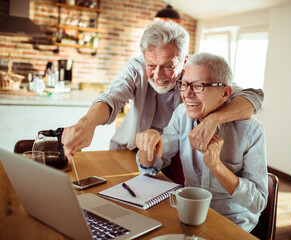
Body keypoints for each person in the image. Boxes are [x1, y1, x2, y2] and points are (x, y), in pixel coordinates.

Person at [61, 21, 264, 184]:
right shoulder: (136, 68)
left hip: (181, 156)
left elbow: (252, 97)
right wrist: (88, 122)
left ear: (184, 61)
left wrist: (214, 119)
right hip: (138, 151)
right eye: (151, 65)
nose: (158, 75)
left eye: (168, 66)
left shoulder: (196, 71)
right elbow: (112, 97)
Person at [136, 52, 268, 232]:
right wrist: (147, 146)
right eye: (184, 85)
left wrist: (217, 166)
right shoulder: (182, 114)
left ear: (225, 93)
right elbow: (155, 163)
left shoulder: (252, 131)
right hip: (189, 217)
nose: (188, 94)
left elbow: (258, 202)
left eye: (199, 86)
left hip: (232, 225)